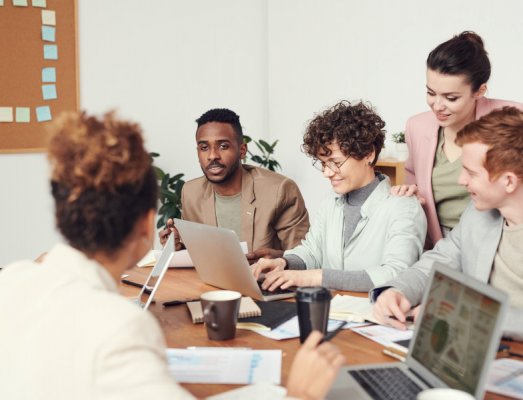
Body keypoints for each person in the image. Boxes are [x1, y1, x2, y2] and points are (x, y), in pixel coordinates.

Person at [0, 111, 344, 399]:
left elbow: (304, 252)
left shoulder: (11, 280)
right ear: (147, 223)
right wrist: (300, 394)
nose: (212, 155)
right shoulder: (121, 329)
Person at [372, 106, 523, 341]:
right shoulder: (477, 213)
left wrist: (467, 315)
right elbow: (439, 261)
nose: (461, 181)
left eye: (471, 174)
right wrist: (398, 291)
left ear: (509, 181)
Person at [253, 101, 427, 292]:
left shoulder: (403, 207)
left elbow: (396, 273)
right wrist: (284, 263)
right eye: (323, 163)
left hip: (375, 315)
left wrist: (316, 277)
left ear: (368, 154)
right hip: (334, 311)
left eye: (335, 162)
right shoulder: (330, 202)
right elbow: (312, 251)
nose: (327, 172)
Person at [393, 31, 523, 249]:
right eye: (431, 93)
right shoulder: (417, 127)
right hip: (438, 245)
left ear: (480, 91)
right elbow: (413, 184)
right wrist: (407, 194)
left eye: (451, 98)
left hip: (499, 245)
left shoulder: (511, 119)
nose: (437, 105)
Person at [159, 108, 309, 262]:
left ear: (242, 150)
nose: (212, 156)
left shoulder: (280, 190)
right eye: (204, 148)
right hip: (212, 284)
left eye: (223, 146)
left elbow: (306, 259)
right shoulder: (191, 192)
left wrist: (280, 259)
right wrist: (177, 247)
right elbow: (200, 257)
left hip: (265, 283)